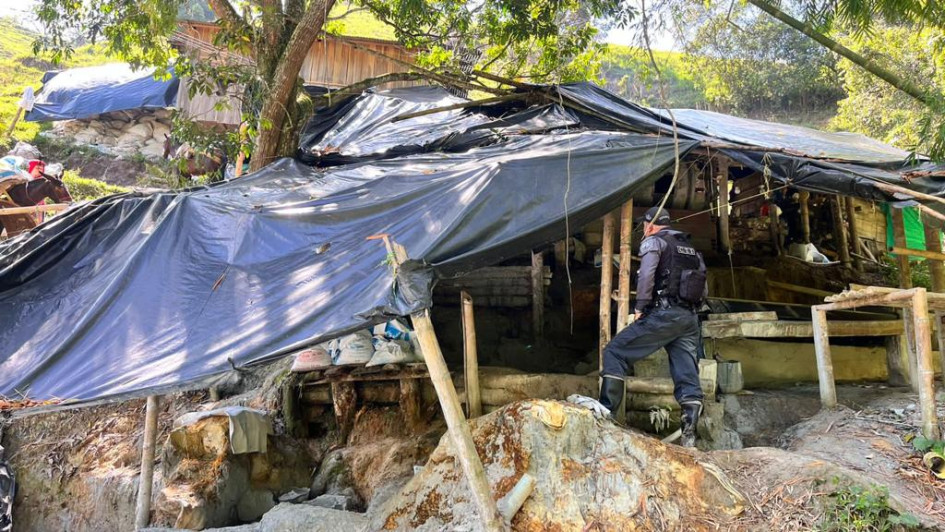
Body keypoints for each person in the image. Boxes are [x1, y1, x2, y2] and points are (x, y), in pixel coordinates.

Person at [599, 206, 708, 447]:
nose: (643, 230)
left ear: (650, 225)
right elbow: (703, 285)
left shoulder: (654, 243)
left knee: (615, 352)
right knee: (687, 375)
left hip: (664, 314)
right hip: (689, 319)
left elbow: (646, 275)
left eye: (644, 226)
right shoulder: (690, 248)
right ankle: (689, 436)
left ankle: (604, 417)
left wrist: (640, 307)